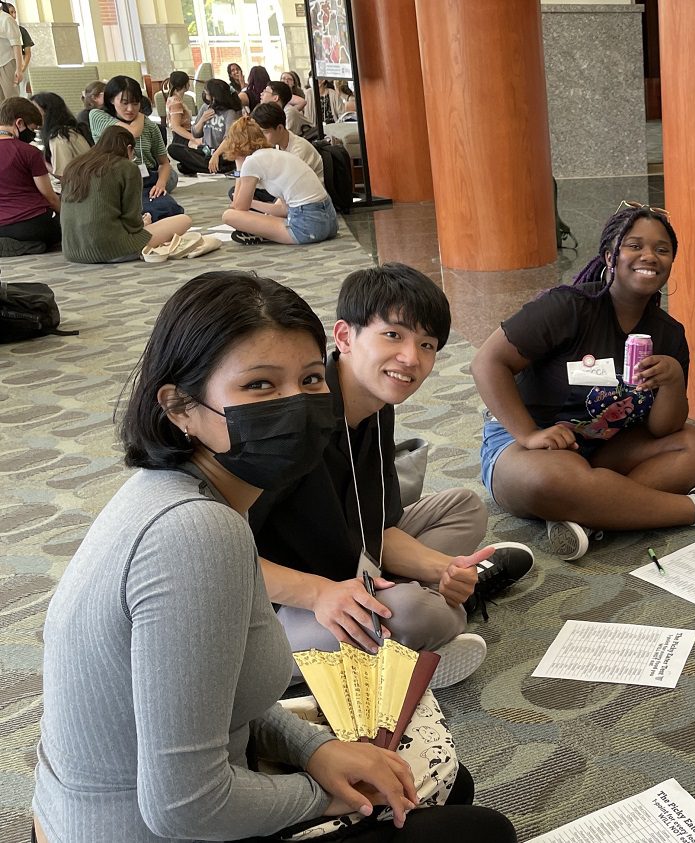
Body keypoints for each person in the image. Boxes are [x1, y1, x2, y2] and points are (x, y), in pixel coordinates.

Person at [30, 270, 518, 843]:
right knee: (478, 831)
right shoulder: (199, 534)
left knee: (446, 791)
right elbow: (185, 808)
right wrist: (328, 792)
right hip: (149, 828)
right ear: (181, 408)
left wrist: (316, 751)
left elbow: (215, 702)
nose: (295, 406)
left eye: (310, 379)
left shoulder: (173, 493)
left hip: (130, 806)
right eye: (260, 386)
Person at [251, 263, 533, 689]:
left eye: (427, 345)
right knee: (426, 613)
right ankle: (412, 621)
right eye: (393, 335)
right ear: (344, 337)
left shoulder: (376, 405)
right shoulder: (298, 419)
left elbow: (379, 528)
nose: (411, 359)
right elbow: (226, 560)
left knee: (465, 507)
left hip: (349, 559)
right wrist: (318, 594)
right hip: (277, 605)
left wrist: (445, 569)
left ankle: (408, 611)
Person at [473, 201, 695, 561]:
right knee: (552, 481)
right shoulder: (569, 307)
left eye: (662, 250)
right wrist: (529, 433)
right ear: (610, 256)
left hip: (604, 447)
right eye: (635, 245)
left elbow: (665, 428)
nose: (649, 255)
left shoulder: (669, 334)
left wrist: (673, 380)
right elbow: (487, 363)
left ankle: (590, 515)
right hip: (528, 446)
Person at [60, 125, 193, 263]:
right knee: (184, 220)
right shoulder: (126, 167)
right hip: (111, 249)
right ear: (129, 149)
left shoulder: (74, 166)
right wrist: (144, 223)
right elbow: (132, 222)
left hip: (72, 251)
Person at [219, 116, 338, 246]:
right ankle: (265, 232)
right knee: (259, 214)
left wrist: (239, 167)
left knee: (229, 215)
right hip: (330, 223)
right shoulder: (278, 154)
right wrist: (252, 203)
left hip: (306, 228)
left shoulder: (251, 162)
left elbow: (239, 207)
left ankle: (262, 233)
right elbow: (284, 210)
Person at [88, 75, 184, 221]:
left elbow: (164, 162)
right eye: (124, 103)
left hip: (145, 180)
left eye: (135, 103)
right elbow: (131, 133)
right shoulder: (98, 116)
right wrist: (140, 115)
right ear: (111, 100)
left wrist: (160, 184)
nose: (130, 109)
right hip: (112, 182)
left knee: (171, 212)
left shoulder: (150, 127)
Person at [0, 96, 59, 252]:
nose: (32, 135)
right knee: (62, 227)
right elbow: (49, 197)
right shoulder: (29, 152)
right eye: (32, 129)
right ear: (19, 123)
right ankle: (31, 244)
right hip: (31, 224)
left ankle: (16, 245)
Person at [29, 91, 90, 193]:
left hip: (80, 192)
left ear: (47, 111)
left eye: (34, 110)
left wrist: (40, 159)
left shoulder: (59, 137)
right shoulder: (71, 130)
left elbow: (64, 176)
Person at [195, 77, 242, 170]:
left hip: (222, 153)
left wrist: (216, 155)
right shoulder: (205, 108)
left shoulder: (230, 113)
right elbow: (195, 133)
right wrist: (202, 120)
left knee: (185, 165)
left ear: (214, 95)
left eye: (206, 90)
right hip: (206, 150)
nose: (204, 92)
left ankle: (208, 165)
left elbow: (229, 138)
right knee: (175, 149)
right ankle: (211, 166)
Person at [0, 2, 20, 99]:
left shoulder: (6, 19)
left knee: (12, 99)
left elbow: (16, 45)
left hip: (7, 63)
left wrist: (19, 69)